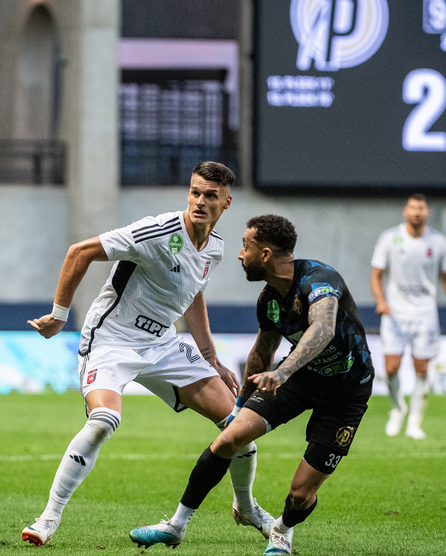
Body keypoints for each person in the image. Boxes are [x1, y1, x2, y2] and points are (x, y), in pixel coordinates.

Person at [21, 162, 273, 547]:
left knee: (239, 426)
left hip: (163, 344)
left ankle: (247, 507)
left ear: (226, 202)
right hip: (111, 340)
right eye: (195, 192)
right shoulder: (157, 231)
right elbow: (79, 252)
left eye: (210, 196)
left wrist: (212, 359)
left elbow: (192, 293)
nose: (199, 202)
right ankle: (48, 517)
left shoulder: (216, 249)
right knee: (104, 421)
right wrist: (58, 316)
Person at [130, 214, 374, 555]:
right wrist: (240, 406)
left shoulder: (320, 280)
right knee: (229, 438)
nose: (240, 254)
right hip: (300, 379)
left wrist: (282, 372)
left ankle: (282, 530)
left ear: (266, 254)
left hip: (347, 393)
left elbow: (323, 329)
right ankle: (176, 525)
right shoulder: (269, 299)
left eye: (246, 246)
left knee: (301, 494)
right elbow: (262, 352)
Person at [370, 193, 446, 439]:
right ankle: (398, 408)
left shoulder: (438, 242)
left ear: (426, 212)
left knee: (421, 369)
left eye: (421, 208)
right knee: (391, 368)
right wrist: (381, 301)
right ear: (406, 211)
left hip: (425, 314)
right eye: (413, 207)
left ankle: (414, 422)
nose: (417, 212)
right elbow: (376, 274)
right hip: (395, 314)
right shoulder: (390, 238)